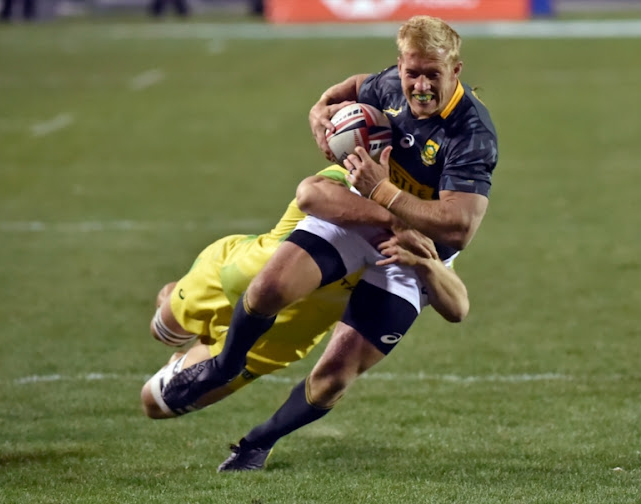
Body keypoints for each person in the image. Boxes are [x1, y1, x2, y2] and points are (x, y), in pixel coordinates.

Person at [162, 15, 498, 471]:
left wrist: (384, 190)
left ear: (455, 71)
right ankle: (223, 366)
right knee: (267, 289)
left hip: (415, 249)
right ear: (399, 66)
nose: (420, 86)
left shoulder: (471, 132)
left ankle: (258, 442)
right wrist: (320, 113)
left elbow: (456, 227)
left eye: (432, 75)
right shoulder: (390, 85)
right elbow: (349, 88)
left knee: (334, 375)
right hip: (365, 214)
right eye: (411, 73)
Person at [141, 165, 469, 419]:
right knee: (163, 331)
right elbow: (310, 195)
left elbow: (454, 302)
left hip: (279, 337)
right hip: (225, 278)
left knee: (155, 403)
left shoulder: (422, 247)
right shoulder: (346, 182)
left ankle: (205, 349)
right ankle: (177, 303)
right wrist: (394, 219)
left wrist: (425, 257)